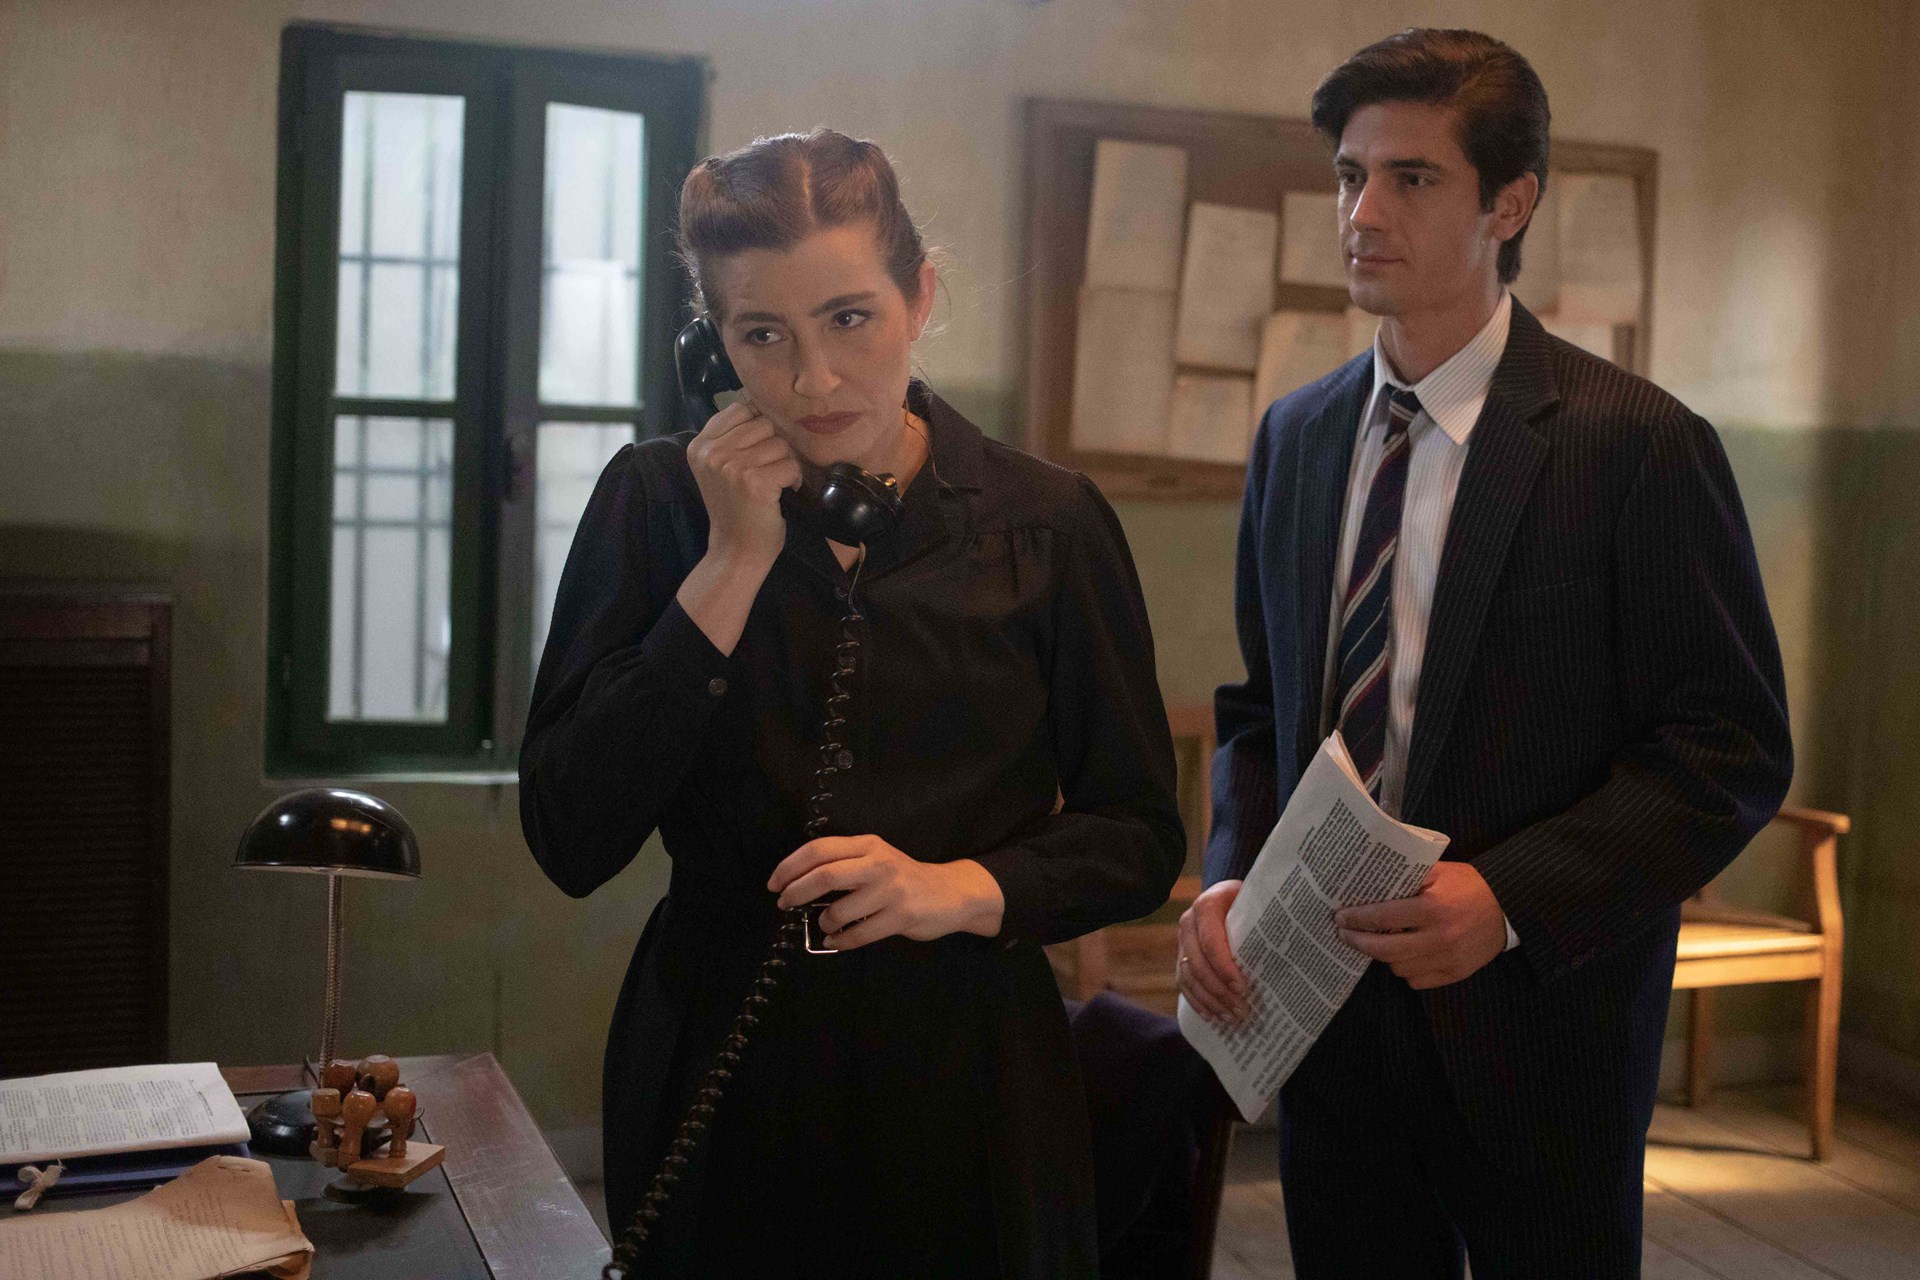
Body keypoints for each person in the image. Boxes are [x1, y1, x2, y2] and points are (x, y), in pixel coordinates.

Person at [1177, 29, 1792, 1280]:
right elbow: (1261, 709)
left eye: (1411, 178)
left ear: (1509, 204)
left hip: (1538, 1025)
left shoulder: (1637, 444)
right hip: (1327, 1014)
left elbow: (1727, 749)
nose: (1363, 212)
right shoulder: (1297, 437)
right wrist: (1233, 875)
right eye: (1351, 175)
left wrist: (1510, 898)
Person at [520, 128, 1184, 1279]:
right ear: (710, 343)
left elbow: (1137, 834)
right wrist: (731, 561)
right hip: (723, 1053)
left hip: (967, 1066)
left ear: (920, 297)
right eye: (761, 334)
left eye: (848, 318)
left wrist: (960, 886)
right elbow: (571, 833)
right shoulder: (656, 502)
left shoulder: (1047, 523)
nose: (813, 379)